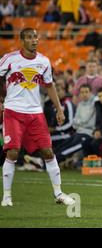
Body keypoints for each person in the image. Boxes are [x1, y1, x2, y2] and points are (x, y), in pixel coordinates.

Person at [0, 28, 75, 206]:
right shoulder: (10, 59)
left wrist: (59, 109)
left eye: (35, 37)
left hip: (35, 113)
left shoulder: (44, 61)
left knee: (48, 151)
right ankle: (7, 196)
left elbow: (49, 86)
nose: (33, 40)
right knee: (12, 152)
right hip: (13, 112)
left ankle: (58, 194)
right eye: (29, 37)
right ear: (22, 41)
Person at [55, 83, 96, 166]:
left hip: (87, 134)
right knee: (62, 145)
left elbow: (87, 121)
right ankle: (47, 161)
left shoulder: (94, 104)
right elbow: (74, 123)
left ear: (91, 92)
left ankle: (52, 163)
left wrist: (80, 122)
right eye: (82, 92)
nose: (84, 94)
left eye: (86, 92)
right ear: (79, 94)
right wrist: (81, 122)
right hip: (78, 132)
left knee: (67, 149)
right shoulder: (80, 104)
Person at [82, 87, 102, 159]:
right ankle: (89, 164)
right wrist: (96, 132)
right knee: (85, 143)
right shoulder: (98, 106)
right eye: (99, 96)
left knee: (96, 144)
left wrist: (101, 133)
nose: (101, 98)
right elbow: (97, 123)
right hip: (99, 133)